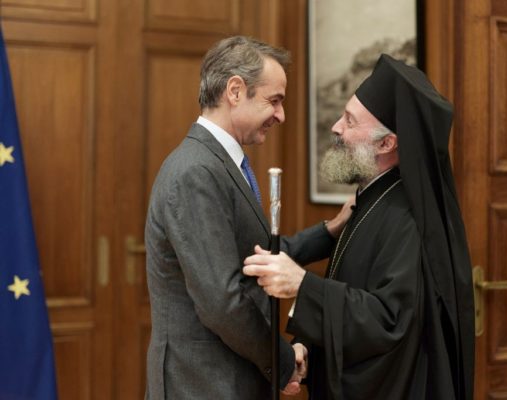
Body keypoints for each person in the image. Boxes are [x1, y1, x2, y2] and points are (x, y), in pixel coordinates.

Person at [243, 54, 475, 399]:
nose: (336, 127)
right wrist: (308, 346)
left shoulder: (408, 220)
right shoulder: (369, 198)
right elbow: (350, 288)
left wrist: (303, 286)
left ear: (386, 143)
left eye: (350, 121)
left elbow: (389, 322)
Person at [144, 35, 352, 399]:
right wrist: (283, 361)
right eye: (274, 101)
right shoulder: (196, 171)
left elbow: (253, 258)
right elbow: (222, 302)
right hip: (203, 384)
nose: (281, 115)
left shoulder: (219, 162)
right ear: (235, 91)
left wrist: (330, 230)